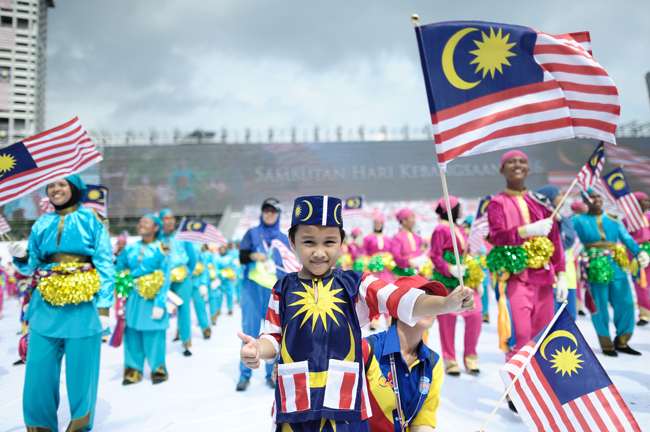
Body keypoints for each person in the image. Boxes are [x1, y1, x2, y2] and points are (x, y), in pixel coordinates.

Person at [238, 195, 475, 432]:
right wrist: (258, 349)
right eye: (309, 242)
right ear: (292, 241)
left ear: (342, 241)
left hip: (345, 404)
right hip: (296, 403)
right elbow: (273, 337)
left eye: (329, 242)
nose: (319, 252)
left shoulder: (355, 284)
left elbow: (398, 298)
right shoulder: (282, 288)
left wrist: (445, 304)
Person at [8, 174, 114, 432]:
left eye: (62, 184)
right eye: (51, 185)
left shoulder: (91, 219)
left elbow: (104, 263)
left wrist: (104, 307)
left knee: (81, 372)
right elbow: (31, 264)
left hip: (83, 306)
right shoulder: (41, 222)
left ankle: (79, 425)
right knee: (37, 371)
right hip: (46, 305)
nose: (56, 189)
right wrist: (22, 257)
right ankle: (40, 426)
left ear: (75, 188)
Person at [487, 151, 567, 359]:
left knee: (544, 334)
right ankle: (515, 385)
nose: (517, 164)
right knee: (520, 334)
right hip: (515, 277)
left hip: (543, 277)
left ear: (528, 169)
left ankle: (539, 387)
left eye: (522, 161)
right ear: (502, 170)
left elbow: (555, 239)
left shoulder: (540, 202)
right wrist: (527, 230)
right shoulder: (497, 203)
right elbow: (496, 236)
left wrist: (561, 274)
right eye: (511, 162)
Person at [363, 275, 446, 432]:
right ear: (398, 305)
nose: (430, 305)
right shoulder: (367, 350)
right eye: (421, 297)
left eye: (433, 299)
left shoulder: (433, 363)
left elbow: (423, 419)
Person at [573, 190, 650, 356]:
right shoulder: (577, 220)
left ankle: (623, 340)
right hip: (594, 267)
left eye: (598, 196)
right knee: (599, 305)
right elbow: (570, 240)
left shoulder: (613, 220)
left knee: (626, 303)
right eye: (592, 197)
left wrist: (638, 252)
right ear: (585, 200)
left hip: (617, 265)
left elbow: (627, 238)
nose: (596, 199)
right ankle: (606, 343)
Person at [237, 198, 291, 391]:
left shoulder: (284, 238)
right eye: (266, 210)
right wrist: (252, 255)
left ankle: (271, 374)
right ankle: (245, 374)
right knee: (249, 331)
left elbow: (290, 263)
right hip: (253, 287)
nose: (269, 214)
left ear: (278, 215)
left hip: (275, 290)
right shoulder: (252, 233)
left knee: (274, 333)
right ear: (261, 213)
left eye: (273, 211)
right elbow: (241, 256)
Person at [430, 196, 484, 376]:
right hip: (448, 280)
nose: (462, 210)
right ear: (451, 209)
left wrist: (477, 278)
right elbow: (435, 256)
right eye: (459, 207)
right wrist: (449, 268)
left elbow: (466, 253)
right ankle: (450, 359)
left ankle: (471, 357)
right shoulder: (440, 229)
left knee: (475, 315)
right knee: (447, 321)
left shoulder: (460, 228)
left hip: (465, 278)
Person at [115, 214, 171, 385]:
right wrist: (122, 280)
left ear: (156, 228)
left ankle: (158, 368)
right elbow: (119, 268)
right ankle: (133, 370)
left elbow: (166, 276)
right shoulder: (130, 248)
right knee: (132, 330)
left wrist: (160, 302)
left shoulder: (162, 248)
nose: (141, 225)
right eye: (139, 222)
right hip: (133, 295)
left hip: (153, 296)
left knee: (154, 331)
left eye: (146, 222)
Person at [158, 209, 198, 356]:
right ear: (161, 221)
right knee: (162, 306)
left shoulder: (182, 236)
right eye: (165, 218)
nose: (169, 221)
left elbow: (193, 257)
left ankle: (186, 342)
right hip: (163, 278)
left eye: (171, 218)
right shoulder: (158, 237)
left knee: (184, 308)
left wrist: (188, 272)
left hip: (182, 277)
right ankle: (159, 342)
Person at [536, 185, 579, 320]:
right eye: (559, 195)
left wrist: (560, 222)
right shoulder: (539, 221)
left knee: (569, 317)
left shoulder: (564, 219)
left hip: (567, 275)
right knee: (549, 318)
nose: (562, 198)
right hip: (547, 276)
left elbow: (568, 241)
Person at [623, 192, 650, 326]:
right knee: (641, 284)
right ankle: (644, 314)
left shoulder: (649, 216)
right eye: (644, 200)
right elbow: (624, 239)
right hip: (637, 255)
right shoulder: (627, 220)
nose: (647, 202)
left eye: (647, 200)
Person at [391, 208, 427, 277]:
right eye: (412, 218)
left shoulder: (416, 236)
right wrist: (410, 263)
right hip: (405, 274)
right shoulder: (398, 237)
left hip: (419, 273)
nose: (414, 220)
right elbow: (396, 258)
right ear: (404, 221)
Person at [362, 216, 394, 283]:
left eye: (379, 223)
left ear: (382, 225)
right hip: (374, 265)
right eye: (376, 223)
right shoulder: (368, 237)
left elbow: (391, 250)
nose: (377, 225)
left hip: (386, 266)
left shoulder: (386, 237)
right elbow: (364, 251)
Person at [189, 243, 212, 339]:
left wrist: (203, 283)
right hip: (183, 282)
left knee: (200, 305)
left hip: (197, 282)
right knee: (183, 309)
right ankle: (181, 331)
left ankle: (205, 328)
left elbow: (204, 269)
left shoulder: (199, 252)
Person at [213, 244, 236, 320]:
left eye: (224, 249)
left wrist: (234, 276)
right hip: (221, 278)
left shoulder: (230, 258)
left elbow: (233, 267)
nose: (222, 251)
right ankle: (218, 309)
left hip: (228, 278)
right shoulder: (217, 258)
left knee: (229, 294)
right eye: (221, 249)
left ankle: (230, 308)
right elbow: (215, 268)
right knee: (219, 294)